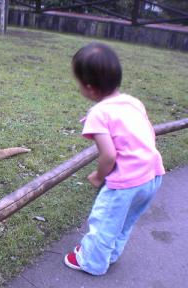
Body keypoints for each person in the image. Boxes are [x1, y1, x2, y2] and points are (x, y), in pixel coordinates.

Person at [64, 42, 165, 275]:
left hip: (125, 183)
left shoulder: (99, 113)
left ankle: (92, 262)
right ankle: (109, 253)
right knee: (125, 221)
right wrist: (95, 119)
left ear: (89, 88)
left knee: (104, 222)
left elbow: (109, 154)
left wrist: (99, 176)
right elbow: (143, 131)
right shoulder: (132, 102)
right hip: (152, 175)